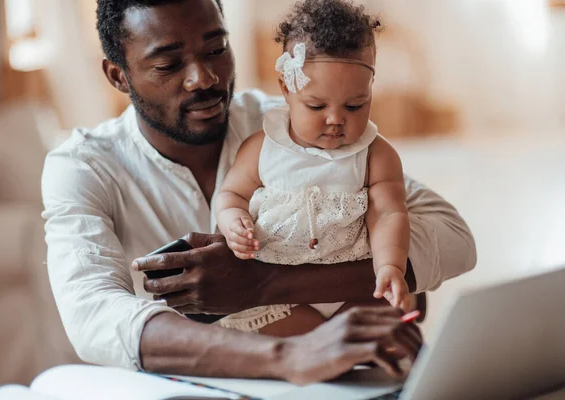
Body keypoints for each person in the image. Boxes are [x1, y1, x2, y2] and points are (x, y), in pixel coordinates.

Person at [41, 0, 476, 385]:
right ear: (118, 75)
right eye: (168, 65)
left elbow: (451, 236)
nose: (204, 77)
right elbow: (92, 315)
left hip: (338, 382)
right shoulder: (83, 166)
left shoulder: (294, 127)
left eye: (216, 49)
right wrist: (292, 356)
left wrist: (269, 283)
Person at [216, 0, 410, 334]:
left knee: (395, 316)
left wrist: (390, 265)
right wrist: (233, 220)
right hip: (276, 292)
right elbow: (232, 193)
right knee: (281, 334)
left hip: (350, 283)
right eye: (316, 105)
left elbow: (389, 214)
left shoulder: (376, 155)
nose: (336, 119)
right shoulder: (262, 148)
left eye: (355, 105)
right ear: (286, 89)